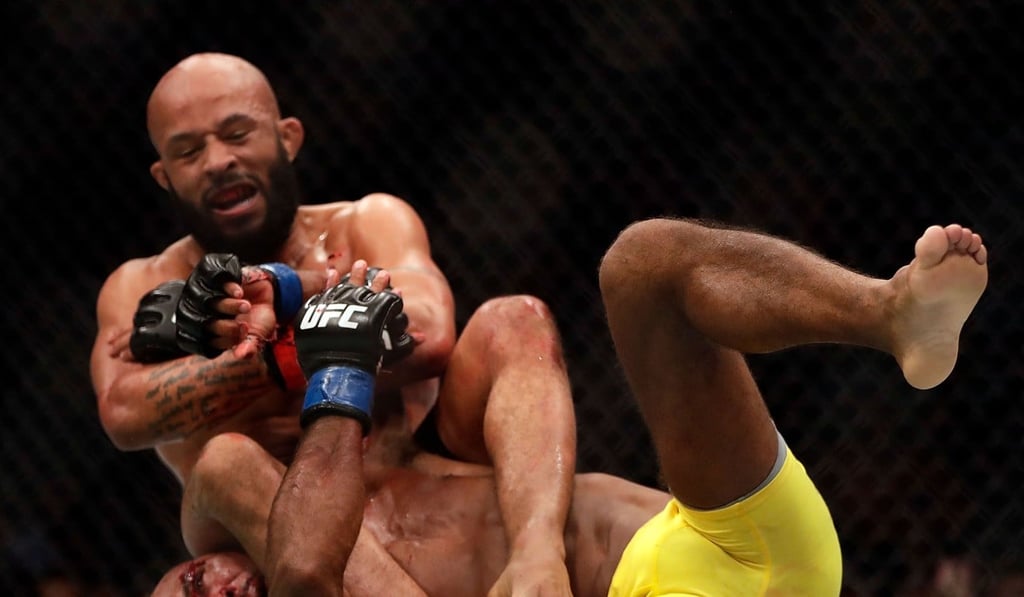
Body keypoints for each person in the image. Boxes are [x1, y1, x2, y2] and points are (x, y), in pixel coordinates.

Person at [151, 219, 988, 596]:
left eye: (188, 593)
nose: (213, 594)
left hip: (731, 539)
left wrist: (294, 306)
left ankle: (890, 313)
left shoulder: (405, 454)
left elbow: (454, 325)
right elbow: (301, 570)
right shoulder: (273, 512)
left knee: (643, 265)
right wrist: (332, 369)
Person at [88, 52, 576, 595]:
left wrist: (278, 310)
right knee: (222, 470)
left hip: (414, 472)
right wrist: (315, 334)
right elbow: (124, 411)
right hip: (265, 528)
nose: (217, 161)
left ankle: (537, 562)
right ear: (164, 176)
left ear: (288, 138)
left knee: (514, 318)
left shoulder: (368, 222)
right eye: (188, 150)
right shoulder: (141, 284)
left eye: (236, 133)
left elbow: (432, 331)